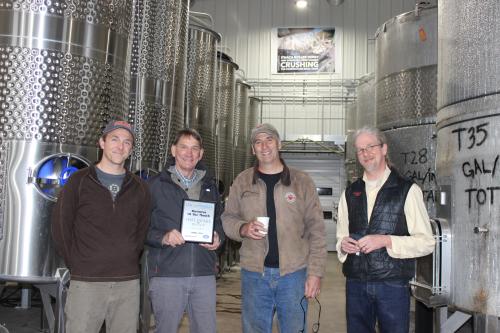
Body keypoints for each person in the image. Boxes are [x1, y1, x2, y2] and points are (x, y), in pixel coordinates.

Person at [222, 123, 327, 333]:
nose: (264, 146)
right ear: (253, 149)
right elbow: (227, 218)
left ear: (278, 144)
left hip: (294, 274)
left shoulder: (301, 181)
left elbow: (316, 230)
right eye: (258, 142)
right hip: (255, 275)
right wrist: (243, 228)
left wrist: (315, 273)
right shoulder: (243, 181)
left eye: (269, 139)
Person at [51, 120, 151, 333]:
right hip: (86, 282)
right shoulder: (79, 182)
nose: (120, 146)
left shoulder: (140, 188)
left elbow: (141, 231)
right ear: (102, 143)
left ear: (131, 150)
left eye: (127, 142)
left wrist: (127, 259)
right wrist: (79, 264)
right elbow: (61, 227)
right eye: (114, 139)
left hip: (127, 284)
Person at [336, 126, 435, 333]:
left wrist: (386, 240)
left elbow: (427, 242)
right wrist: (343, 245)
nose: (365, 153)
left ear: (384, 149)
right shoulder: (350, 193)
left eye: (370, 147)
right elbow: (340, 238)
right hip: (356, 284)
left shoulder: (407, 190)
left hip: (392, 285)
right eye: (360, 150)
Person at [146, 128, 224, 333]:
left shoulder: (210, 187)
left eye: (194, 148)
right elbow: (139, 229)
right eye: (183, 147)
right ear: (173, 150)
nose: (189, 153)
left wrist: (218, 237)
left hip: (203, 274)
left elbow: (219, 222)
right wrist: (163, 237)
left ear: (201, 154)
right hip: (167, 274)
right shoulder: (154, 186)